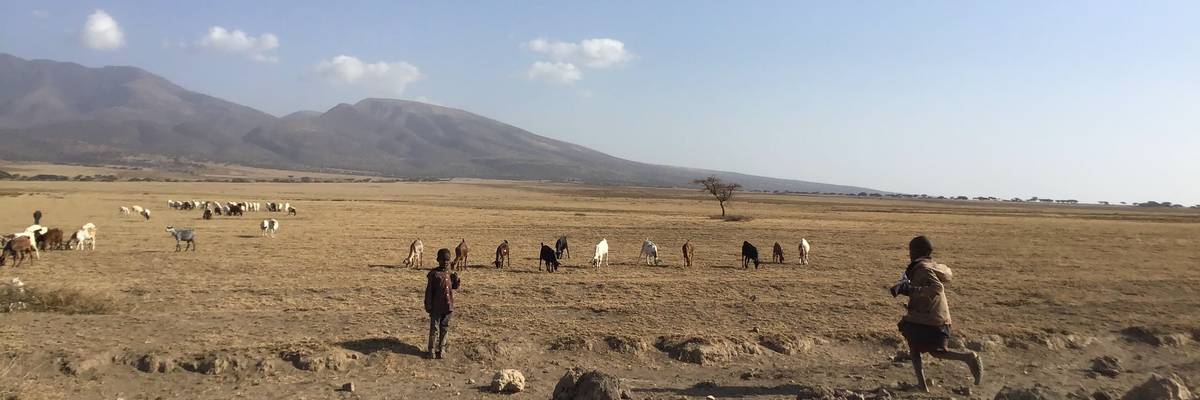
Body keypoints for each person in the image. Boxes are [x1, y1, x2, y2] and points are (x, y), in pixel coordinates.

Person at [889, 235, 982, 392]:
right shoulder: (929, 266)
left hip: (928, 318)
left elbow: (937, 288)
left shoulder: (923, 268)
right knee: (928, 350)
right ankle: (964, 359)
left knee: (923, 349)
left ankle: (966, 359)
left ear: (918, 251)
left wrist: (911, 290)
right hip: (933, 316)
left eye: (911, 251)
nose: (910, 254)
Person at [424, 248, 461, 359]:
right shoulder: (434, 274)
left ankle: (442, 348)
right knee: (434, 329)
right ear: (438, 260)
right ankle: (431, 350)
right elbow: (429, 291)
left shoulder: (450, 273)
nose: (445, 262)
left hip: (448, 306)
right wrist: (428, 305)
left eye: (447, 260)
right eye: (443, 260)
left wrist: (457, 280)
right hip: (436, 307)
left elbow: (454, 287)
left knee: (444, 327)